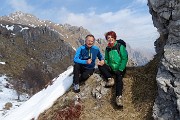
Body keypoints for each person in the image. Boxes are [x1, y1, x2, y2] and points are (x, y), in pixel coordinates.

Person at [98, 31, 128, 107]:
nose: (110, 39)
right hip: (112, 68)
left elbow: (124, 58)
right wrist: (104, 63)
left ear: (114, 38)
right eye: (108, 38)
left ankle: (118, 97)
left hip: (119, 68)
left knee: (119, 78)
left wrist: (121, 69)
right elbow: (107, 59)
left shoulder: (120, 46)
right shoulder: (107, 48)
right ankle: (110, 79)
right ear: (107, 39)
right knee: (100, 65)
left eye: (112, 37)